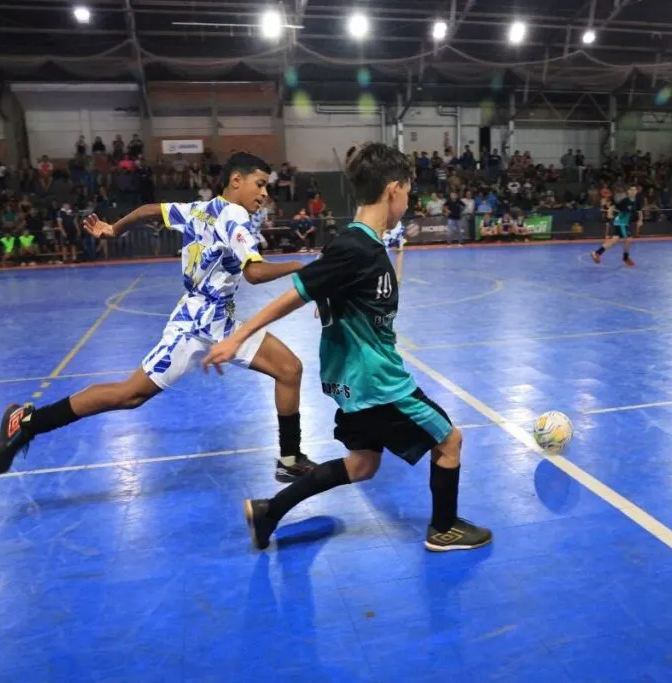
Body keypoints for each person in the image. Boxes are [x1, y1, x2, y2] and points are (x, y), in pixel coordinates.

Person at [202, 143, 491, 553]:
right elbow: (294, 295)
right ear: (393, 189)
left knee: (363, 464)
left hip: (353, 384)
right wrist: (237, 337)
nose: (409, 200)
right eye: (408, 190)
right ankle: (443, 529)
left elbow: (328, 292)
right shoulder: (357, 248)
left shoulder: (358, 247)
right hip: (379, 384)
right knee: (450, 441)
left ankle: (269, 511)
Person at [0, 152, 317, 483]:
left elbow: (149, 211)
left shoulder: (199, 209)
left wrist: (113, 230)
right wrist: (303, 266)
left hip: (222, 322)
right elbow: (256, 274)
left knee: (288, 369)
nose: (265, 193)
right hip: (195, 328)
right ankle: (26, 422)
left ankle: (289, 459)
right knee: (129, 394)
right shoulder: (234, 216)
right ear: (236, 181)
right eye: (260, 184)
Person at [591, 184, 642, 267]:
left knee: (614, 240)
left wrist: (640, 220)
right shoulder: (624, 201)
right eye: (631, 190)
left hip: (624, 222)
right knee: (628, 239)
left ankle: (597, 253)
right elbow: (613, 207)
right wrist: (609, 213)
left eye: (634, 190)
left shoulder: (637, 201)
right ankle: (625, 258)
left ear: (636, 192)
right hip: (621, 222)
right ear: (628, 192)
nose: (633, 191)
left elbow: (639, 211)